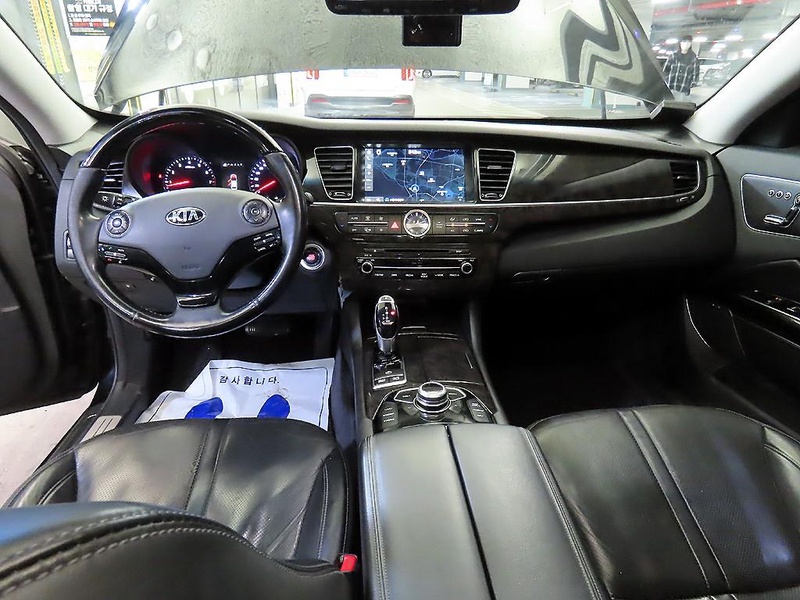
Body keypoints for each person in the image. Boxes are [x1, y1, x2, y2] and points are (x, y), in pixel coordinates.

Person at [664, 35, 700, 99]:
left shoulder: (693, 58)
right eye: (684, 42)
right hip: (670, 88)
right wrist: (667, 81)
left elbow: (695, 75)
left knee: (680, 104)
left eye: (688, 42)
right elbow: (665, 71)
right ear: (680, 43)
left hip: (683, 90)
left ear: (691, 44)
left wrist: (691, 86)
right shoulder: (673, 56)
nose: (686, 44)